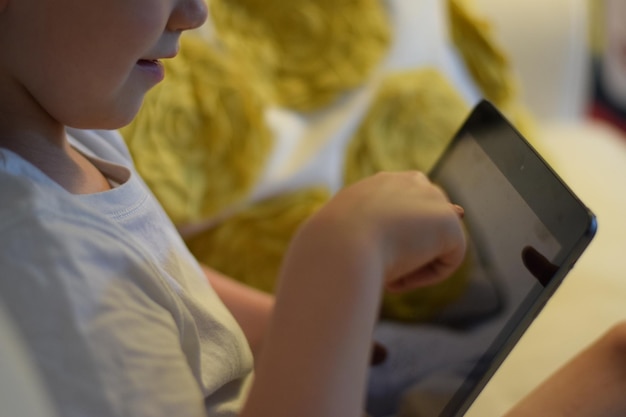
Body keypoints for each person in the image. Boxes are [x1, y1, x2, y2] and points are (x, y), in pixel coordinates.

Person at [0, 1, 467, 416]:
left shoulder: (72, 137)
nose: (196, 13)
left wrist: (312, 329)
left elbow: (151, 277)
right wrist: (342, 253)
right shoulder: (39, 268)